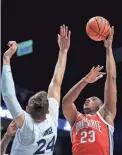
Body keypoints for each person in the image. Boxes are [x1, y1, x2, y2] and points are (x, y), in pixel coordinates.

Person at [2, 25, 71, 155]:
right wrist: (64, 51)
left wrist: (6, 58)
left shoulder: (27, 125)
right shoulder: (52, 117)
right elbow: (56, 82)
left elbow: (8, 95)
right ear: (47, 110)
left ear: (27, 109)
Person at [62, 26, 116, 155]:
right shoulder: (76, 118)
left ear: (100, 105)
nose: (88, 99)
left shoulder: (105, 115)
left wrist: (108, 48)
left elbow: (111, 78)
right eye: (88, 98)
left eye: (93, 99)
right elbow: (66, 103)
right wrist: (85, 80)